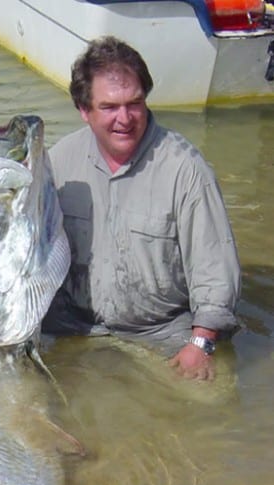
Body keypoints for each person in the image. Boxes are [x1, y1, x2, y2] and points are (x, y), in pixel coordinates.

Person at [43, 36, 241, 380]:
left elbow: (215, 270)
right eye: (109, 107)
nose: (125, 118)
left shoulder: (186, 169)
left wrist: (201, 344)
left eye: (134, 103)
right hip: (73, 323)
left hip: (162, 331)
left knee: (212, 407)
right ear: (84, 110)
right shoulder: (59, 160)